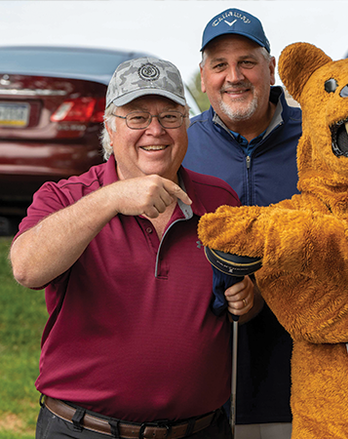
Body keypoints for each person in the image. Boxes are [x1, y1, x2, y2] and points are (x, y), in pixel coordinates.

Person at [9, 57, 257, 438]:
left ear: (187, 123)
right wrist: (110, 200)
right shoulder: (66, 197)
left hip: (202, 430)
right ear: (109, 125)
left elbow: (238, 290)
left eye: (170, 116)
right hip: (84, 430)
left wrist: (249, 297)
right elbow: (27, 268)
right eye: (137, 117)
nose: (155, 131)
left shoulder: (220, 199)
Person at [182, 8, 301, 439]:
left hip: (307, 378)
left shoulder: (317, 141)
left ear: (271, 67)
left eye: (247, 61)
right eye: (219, 65)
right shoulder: (180, 146)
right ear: (203, 76)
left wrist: (266, 288)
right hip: (205, 393)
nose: (234, 76)